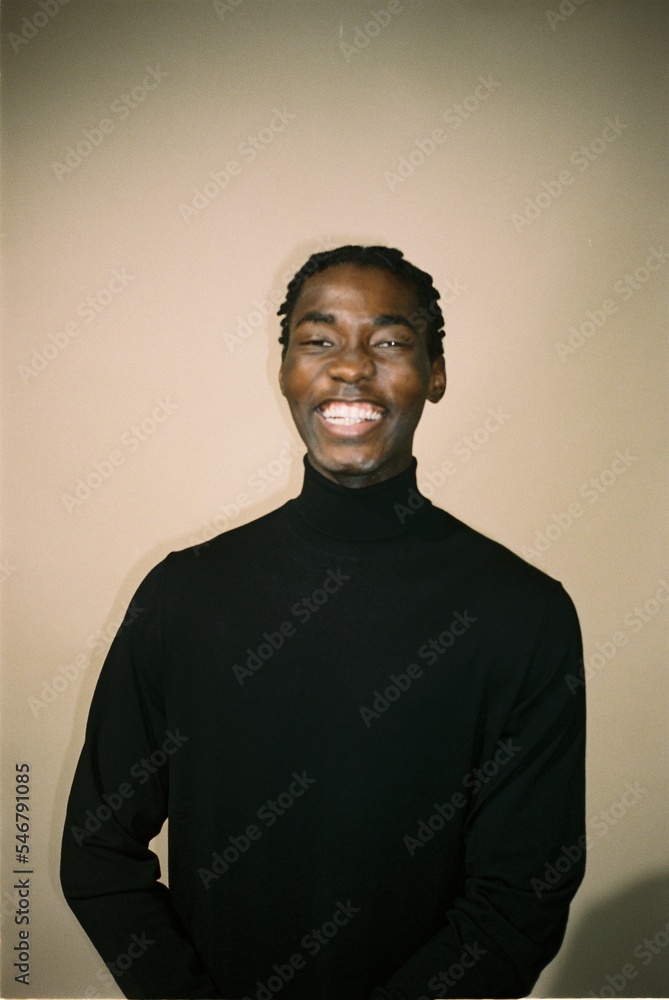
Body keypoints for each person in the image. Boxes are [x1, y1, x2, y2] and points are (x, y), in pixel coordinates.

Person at [60, 245, 586, 1000]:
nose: (350, 366)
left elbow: (522, 898)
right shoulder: (184, 596)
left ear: (435, 375)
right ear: (284, 371)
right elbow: (98, 849)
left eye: (389, 341)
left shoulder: (523, 613)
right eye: (319, 340)